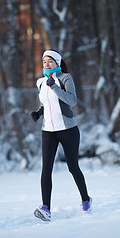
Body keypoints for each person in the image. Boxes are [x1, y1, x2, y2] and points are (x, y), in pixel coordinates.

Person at [30, 49, 92, 221]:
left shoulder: (65, 78)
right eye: (44, 62)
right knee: (46, 169)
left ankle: (86, 200)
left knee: (73, 167)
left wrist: (55, 86)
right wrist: (38, 113)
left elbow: (72, 101)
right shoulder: (41, 82)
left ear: (57, 63)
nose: (47, 64)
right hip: (48, 131)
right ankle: (46, 209)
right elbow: (48, 104)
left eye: (50, 61)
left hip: (68, 130)